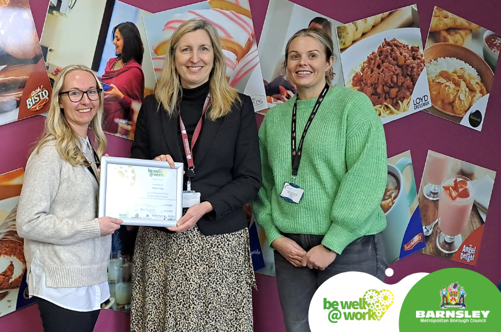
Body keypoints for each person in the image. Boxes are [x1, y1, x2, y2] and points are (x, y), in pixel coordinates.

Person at [123, 19, 261, 331]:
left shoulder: (239, 107)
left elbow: (250, 179)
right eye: (185, 49)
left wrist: (205, 206)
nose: (194, 58)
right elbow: (137, 166)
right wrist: (153, 168)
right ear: (173, 56)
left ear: (215, 56)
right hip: (162, 240)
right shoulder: (152, 107)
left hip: (219, 239)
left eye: (203, 49)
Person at [253, 28, 388, 332]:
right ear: (287, 65)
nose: (303, 63)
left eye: (313, 55)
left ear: (329, 63)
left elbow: (366, 176)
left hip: (350, 246)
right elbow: (260, 181)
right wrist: (274, 235)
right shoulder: (274, 118)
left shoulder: (353, 106)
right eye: (295, 56)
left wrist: (332, 244)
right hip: (292, 252)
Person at [16, 65, 123, 332]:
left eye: (91, 92)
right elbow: (28, 223)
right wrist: (93, 228)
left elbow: (81, 206)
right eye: (74, 93)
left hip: (90, 278)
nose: (85, 100)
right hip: (61, 284)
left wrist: (110, 184)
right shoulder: (49, 153)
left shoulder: (89, 148)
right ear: (60, 102)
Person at [100, 22, 145, 136]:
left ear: (128, 42)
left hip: (115, 125)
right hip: (99, 116)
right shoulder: (111, 62)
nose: (114, 42)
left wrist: (120, 97)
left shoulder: (135, 71)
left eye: (117, 39)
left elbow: (138, 108)